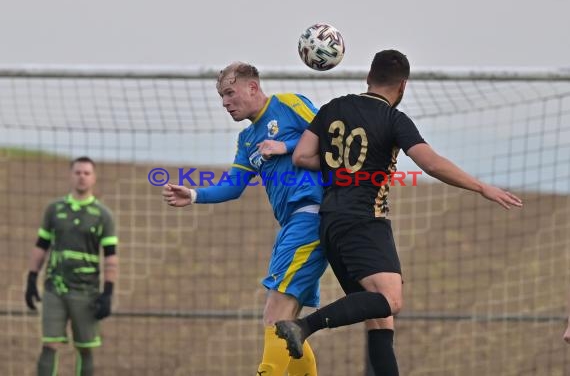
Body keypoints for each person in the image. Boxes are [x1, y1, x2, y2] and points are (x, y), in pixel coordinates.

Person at [275, 49, 524, 375]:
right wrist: (481, 187)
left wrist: (345, 168)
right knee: (391, 300)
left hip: (331, 223)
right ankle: (303, 327)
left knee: (380, 318)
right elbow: (431, 163)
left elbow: (302, 157)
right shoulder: (394, 119)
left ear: (368, 77)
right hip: (365, 221)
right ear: (403, 86)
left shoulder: (333, 108)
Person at [162, 62, 328, 376]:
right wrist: (194, 194)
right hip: (290, 226)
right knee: (287, 325)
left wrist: (287, 146)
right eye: (221, 97)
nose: (224, 102)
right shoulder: (247, 140)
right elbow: (234, 186)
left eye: (229, 93)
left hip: (312, 217)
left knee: (274, 314)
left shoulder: (289, 105)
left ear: (252, 87)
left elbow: (333, 135)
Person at [25, 156, 119, 376]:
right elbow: (41, 245)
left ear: (94, 178)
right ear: (70, 175)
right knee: (50, 344)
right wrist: (31, 279)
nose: (82, 177)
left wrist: (108, 292)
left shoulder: (103, 215)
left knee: (85, 348)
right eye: (77, 172)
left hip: (86, 291)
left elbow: (111, 257)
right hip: (54, 288)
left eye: (86, 173)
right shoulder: (54, 209)